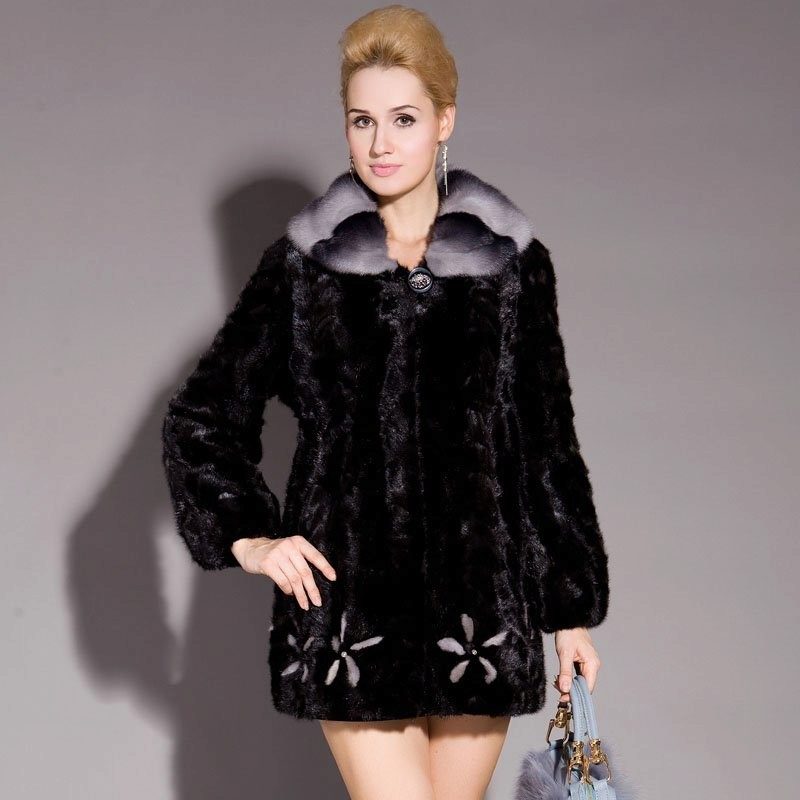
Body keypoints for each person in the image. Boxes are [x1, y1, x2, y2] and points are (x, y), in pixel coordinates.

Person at [161, 5, 610, 799]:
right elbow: (203, 417)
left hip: (481, 611)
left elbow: (546, 442)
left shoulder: (512, 266)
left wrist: (569, 611)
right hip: (351, 611)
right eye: (361, 120)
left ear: (445, 121)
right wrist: (252, 539)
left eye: (403, 119)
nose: (380, 144)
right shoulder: (304, 268)